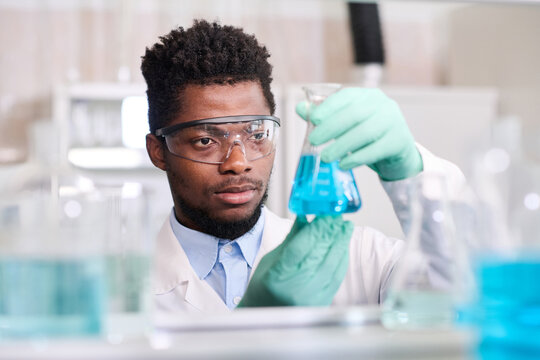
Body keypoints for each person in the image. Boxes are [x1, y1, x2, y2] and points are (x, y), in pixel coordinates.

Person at [142, 20, 465, 314]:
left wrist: (410, 172)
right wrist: (257, 325)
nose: (238, 163)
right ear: (158, 151)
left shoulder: (361, 257)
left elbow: (468, 291)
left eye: (257, 134)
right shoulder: (123, 289)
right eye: (205, 141)